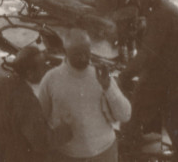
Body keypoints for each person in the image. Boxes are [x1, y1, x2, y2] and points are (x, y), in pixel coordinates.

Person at [123, 0, 178, 162]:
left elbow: (146, 54)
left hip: (171, 81)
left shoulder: (162, 15)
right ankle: (160, 153)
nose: (137, 2)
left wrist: (126, 74)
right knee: (171, 121)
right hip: (172, 77)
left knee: (139, 115)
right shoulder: (166, 9)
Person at [38, 30, 132, 162]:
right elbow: (39, 119)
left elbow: (125, 115)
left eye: (86, 52)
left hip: (104, 153)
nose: (83, 57)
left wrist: (108, 87)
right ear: (66, 52)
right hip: (67, 156)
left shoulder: (101, 76)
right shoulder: (51, 79)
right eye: (77, 54)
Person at [0, 45, 50, 162]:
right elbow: (40, 141)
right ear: (30, 73)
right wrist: (66, 130)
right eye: (42, 67)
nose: (46, 70)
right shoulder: (27, 99)